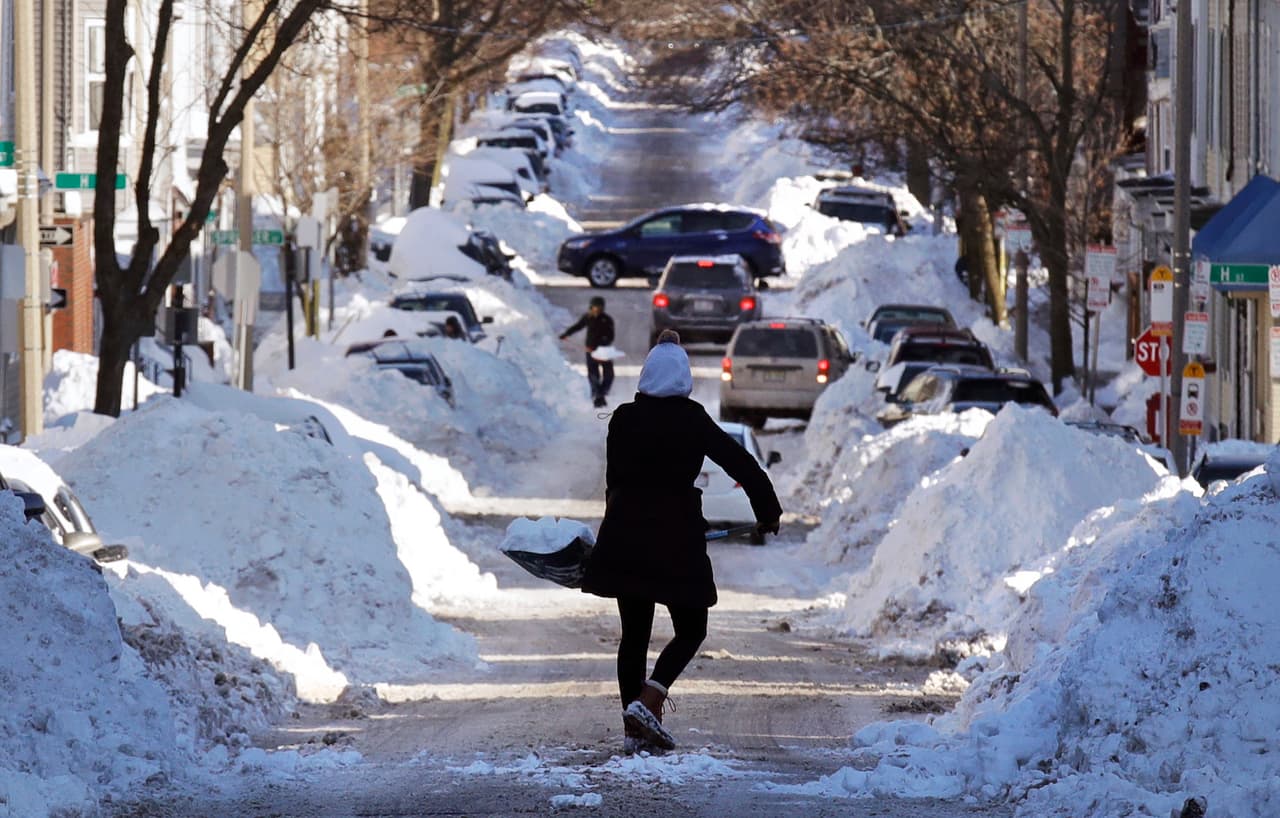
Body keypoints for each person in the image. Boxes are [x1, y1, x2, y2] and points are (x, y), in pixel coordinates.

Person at [581, 330, 782, 754]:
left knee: (634, 634)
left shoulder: (622, 417)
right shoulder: (691, 418)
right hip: (676, 538)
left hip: (626, 534)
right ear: (684, 378)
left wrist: (613, 528)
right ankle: (649, 699)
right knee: (692, 627)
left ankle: (633, 726)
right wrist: (767, 510)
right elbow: (740, 461)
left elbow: (613, 481)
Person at [559, 296, 616, 408]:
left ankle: (602, 392)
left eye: (600, 307)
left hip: (604, 351)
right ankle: (597, 396)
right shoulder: (588, 318)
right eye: (595, 307)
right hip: (590, 350)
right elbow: (577, 327)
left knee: (609, 374)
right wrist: (566, 334)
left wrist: (603, 342)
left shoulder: (607, 319)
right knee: (593, 374)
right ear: (591, 307)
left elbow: (611, 335)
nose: (597, 309)